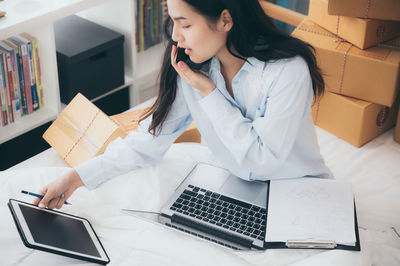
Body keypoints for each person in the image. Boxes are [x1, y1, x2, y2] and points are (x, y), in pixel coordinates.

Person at [34, 0, 332, 209]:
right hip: (239, 191)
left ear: (226, 20)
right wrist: (76, 178)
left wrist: (210, 93)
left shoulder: (287, 71)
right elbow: (149, 142)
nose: (175, 36)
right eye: (173, 21)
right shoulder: (192, 67)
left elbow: (261, 159)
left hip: (299, 189)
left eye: (185, 23)